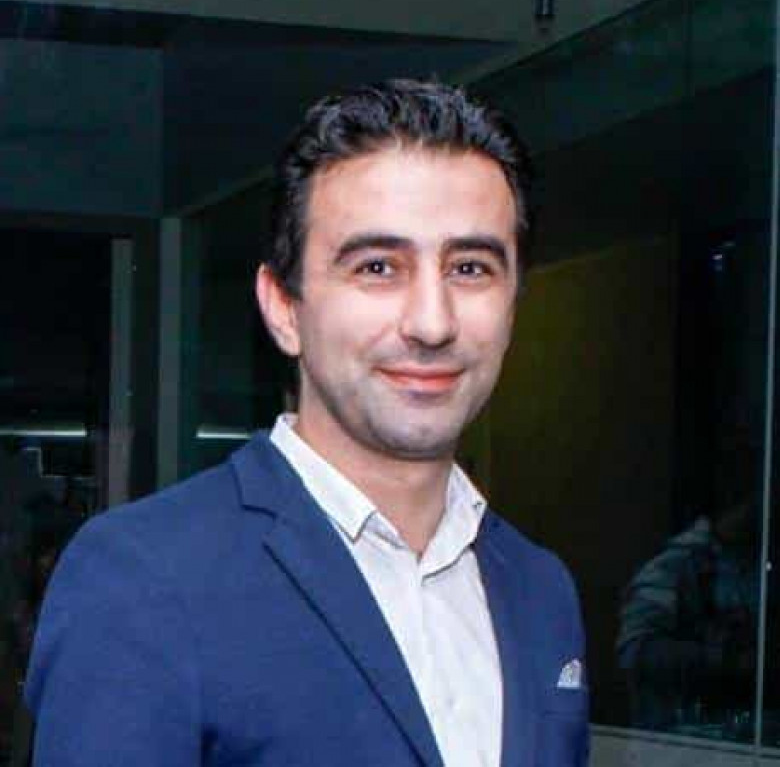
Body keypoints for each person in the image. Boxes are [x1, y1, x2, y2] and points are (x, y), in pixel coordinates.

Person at [24, 79, 589, 767]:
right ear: (284, 308)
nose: (432, 322)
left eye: (470, 268)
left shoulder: (540, 589)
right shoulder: (142, 578)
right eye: (377, 267)